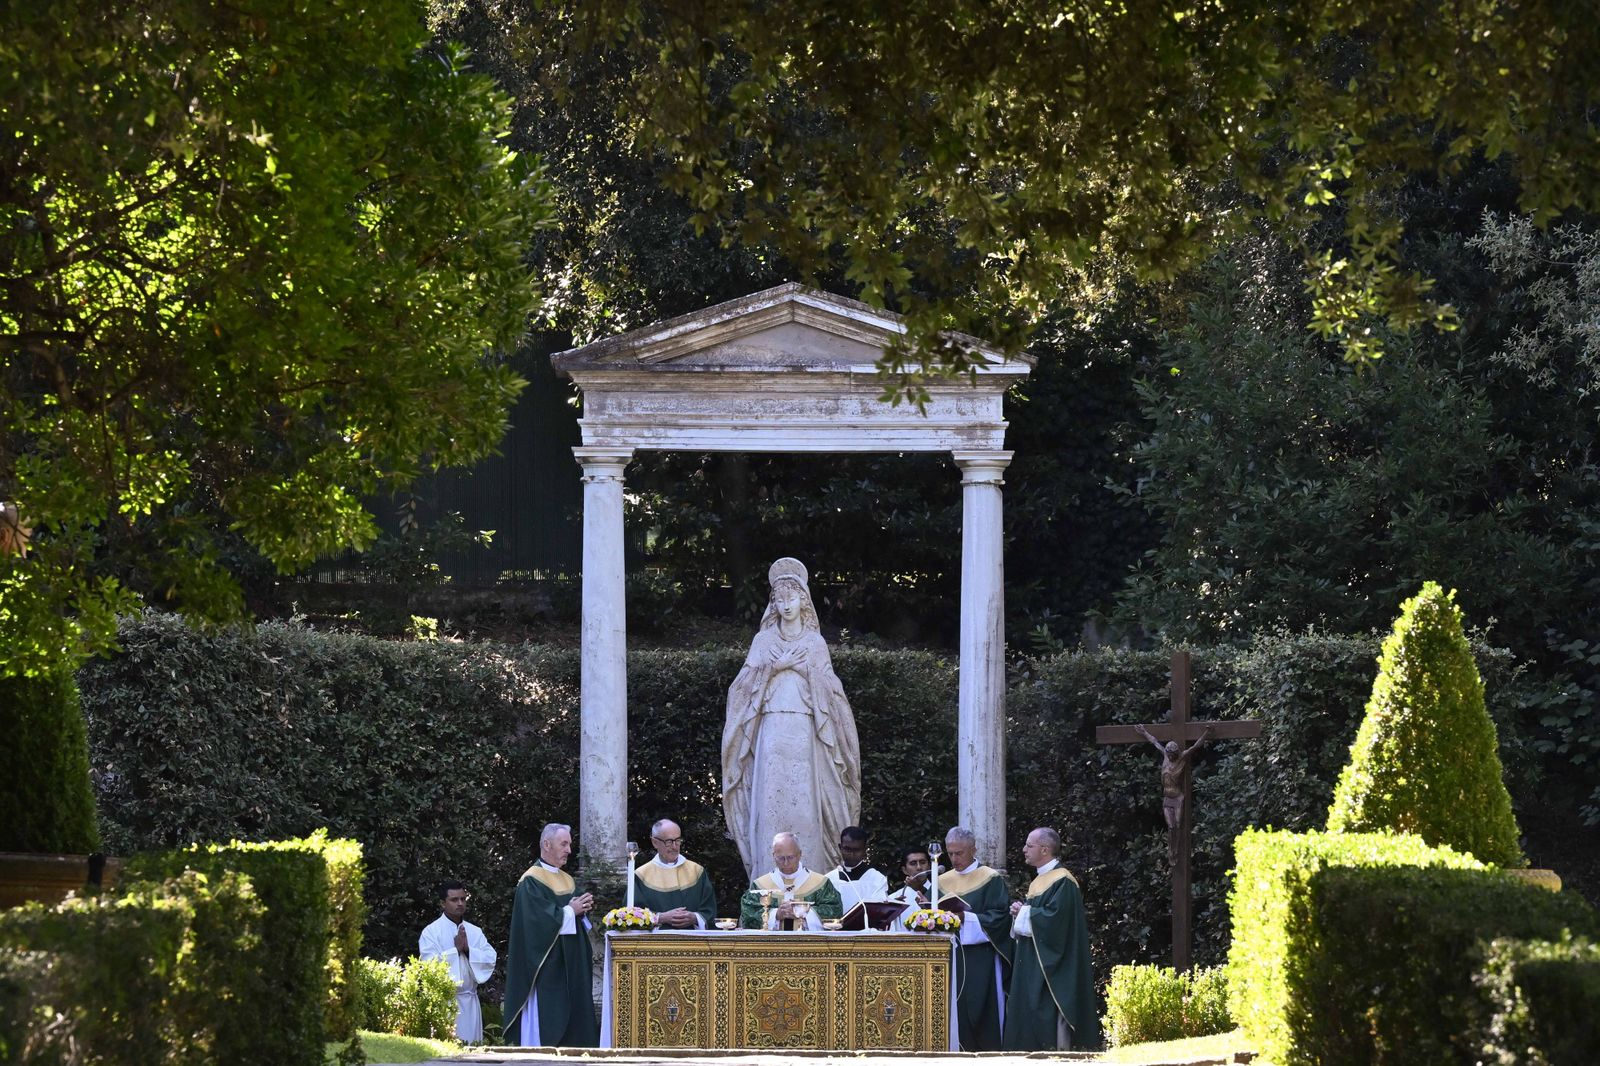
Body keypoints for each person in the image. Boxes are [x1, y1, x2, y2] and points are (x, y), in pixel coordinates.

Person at [723, 557, 861, 876]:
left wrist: (800, 668)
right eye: (780, 599)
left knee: (804, 805)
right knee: (770, 806)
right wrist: (774, 667)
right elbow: (741, 688)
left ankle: (812, 880)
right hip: (770, 728)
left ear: (803, 601)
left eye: (792, 598)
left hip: (805, 730)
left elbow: (832, 691)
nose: (786, 605)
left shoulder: (814, 642)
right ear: (774, 604)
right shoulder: (763, 641)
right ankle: (764, 883)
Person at [1002, 828, 1101, 1051]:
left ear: (1045, 850)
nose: (1024, 849)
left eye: (1029, 845)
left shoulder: (1063, 881)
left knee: (1045, 1010)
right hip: (1034, 960)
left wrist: (1026, 913)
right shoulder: (1041, 879)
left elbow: (1057, 922)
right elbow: (1042, 914)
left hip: (1051, 965)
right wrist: (1022, 911)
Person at [503, 824, 598, 1047]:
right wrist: (570, 911)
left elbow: (574, 918)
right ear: (546, 845)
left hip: (570, 962)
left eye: (570, 844)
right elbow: (536, 923)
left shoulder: (567, 880)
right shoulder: (531, 881)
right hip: (547, 965)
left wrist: (582, 910)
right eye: (564, 844)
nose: (569, 850)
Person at [937, 825, 1013, 1051]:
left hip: (981, 957)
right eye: (950, 853)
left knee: (981, 1006)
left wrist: (965, 918)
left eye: (959, 853)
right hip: (950, 956)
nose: (954, 858)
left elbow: (999, 917)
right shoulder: (942, 881)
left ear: (973, 849)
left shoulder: (990, 878)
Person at [418, 880, 497, 1043]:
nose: (460, 903)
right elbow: (429, 966)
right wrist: (455, 950)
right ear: (442, 903)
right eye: (454, 900)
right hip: (445, 1003)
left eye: (463, 899)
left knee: (472, 1052)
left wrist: (468, 949)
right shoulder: (431, 932)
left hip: (470, 1001)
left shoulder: (475, 931)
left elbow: (490, 957)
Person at [1135, 723, 1213, 859]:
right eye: (1168, 754)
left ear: (1176, 753)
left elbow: (1194, 747)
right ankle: (1172, 851)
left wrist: (1206, 734)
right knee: (1171, 827)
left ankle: (1178, 850)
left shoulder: (1181, 758)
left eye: (1172, 755)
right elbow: (1154, 742)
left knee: (1178, 824)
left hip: (1177, 798)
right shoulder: (1165, 756)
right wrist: (1144, 732)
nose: (1170, 757)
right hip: (1167, 798)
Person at [740, 832, 844, 929]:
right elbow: (748, 915)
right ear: (773, 856)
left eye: (790, 857)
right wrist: (775, 915)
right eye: (780, 858)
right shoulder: (760, 886)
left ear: (799, 854)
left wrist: (802, 912)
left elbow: (834, 911)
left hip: (810, 946)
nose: (786, 863)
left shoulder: (821, 884)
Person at [632, 818, 718, 929]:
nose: (674, 846)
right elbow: (631, 915)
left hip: (694, 943)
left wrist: (694, 917)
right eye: (668, 842)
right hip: (655, 944)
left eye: (677, 840)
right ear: (655, 842)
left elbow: (710, 911)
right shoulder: (641, 875)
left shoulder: (697, 871)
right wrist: (661, 918)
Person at [827, 825, 889, 914]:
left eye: (856, 850)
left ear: (864, 850)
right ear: (840, 848)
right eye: (847, 849)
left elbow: (879, 911)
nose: (851, 854)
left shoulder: (877, 879)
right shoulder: (829, 879)